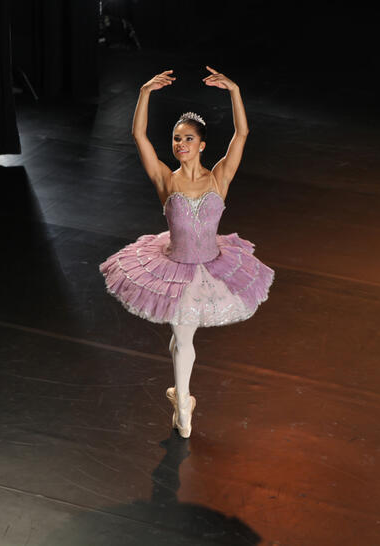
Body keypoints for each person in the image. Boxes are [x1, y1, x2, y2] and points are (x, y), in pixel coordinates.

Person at [99, 66, 275, 439]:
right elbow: (138, 135)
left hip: (211, 268)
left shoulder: (219, 177)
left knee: (183, 336)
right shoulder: (166, 179)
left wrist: (235, 89)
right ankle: (184, 409)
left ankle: (182, 402)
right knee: (183, 336)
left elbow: (242, 133)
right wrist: (145, 91)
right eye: (177, 138)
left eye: (188, 138)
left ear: (202, 145)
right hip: (174, 267)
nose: (180, 144)